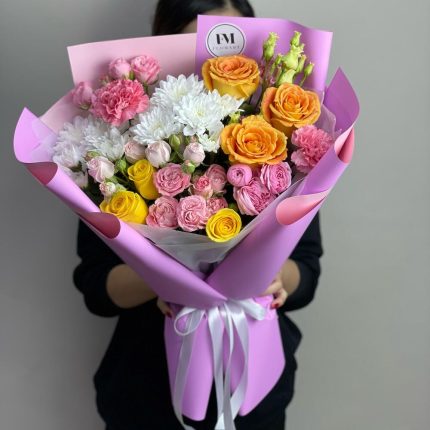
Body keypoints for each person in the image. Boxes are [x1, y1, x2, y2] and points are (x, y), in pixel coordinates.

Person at [73, 1, 323, 429]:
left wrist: (276, 276)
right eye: (198, 47)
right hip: (145, 390)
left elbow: (308, 272)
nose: (219, 66)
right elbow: (96, 287)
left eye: (234, 49)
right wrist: (167, 280)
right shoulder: (112, 156)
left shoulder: (284, 153)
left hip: (256, 390)